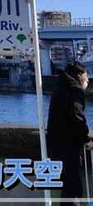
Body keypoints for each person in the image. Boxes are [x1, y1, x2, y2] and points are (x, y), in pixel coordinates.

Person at [47, 61, 93, 205]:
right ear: (80, 76)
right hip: (68, 146)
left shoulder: (61, 86)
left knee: (67, 187)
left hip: (56, 145)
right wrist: (86, 139)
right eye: (86, 77)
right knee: (73, 189)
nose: (87, 80)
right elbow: (76, 118)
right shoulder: (74, 90)